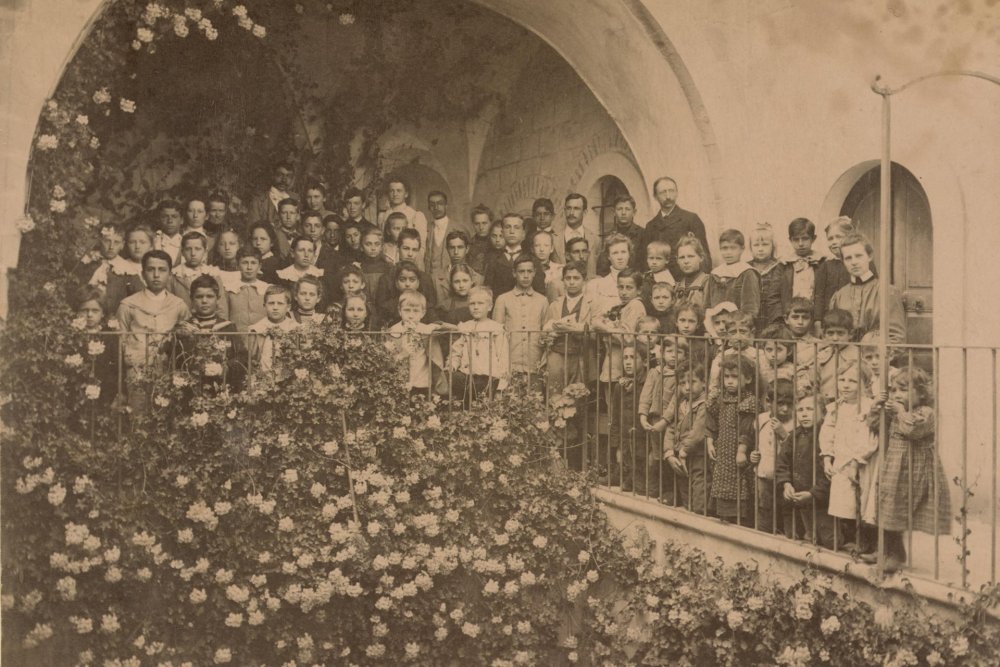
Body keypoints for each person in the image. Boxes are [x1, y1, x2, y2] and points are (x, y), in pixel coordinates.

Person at [117, 250, 191, 410]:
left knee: (165, 417)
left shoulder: (178, 305)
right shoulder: (128, 305)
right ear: (142, 273)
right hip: (137, 372)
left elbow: (186, 341)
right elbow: (121, 342)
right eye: (151, 270)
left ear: (170, 274)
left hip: (167, 372)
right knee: (138, 417)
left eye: (162, 270)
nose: (156, 275)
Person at [820, 360, 875, 551]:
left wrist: (856, 461)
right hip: (840, 462)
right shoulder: (836, 407)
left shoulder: (868, 408)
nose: (844, 385)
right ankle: (849, 537)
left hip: (861, 462)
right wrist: (827, 456)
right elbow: (827, 431)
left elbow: (869, 437)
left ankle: (865, 541)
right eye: (841, 379)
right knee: (843, 503)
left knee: (862, 501)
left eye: (851, 381)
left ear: (865, 384)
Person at [706, 354, 758, 525]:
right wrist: (709, 440)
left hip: (738, 452)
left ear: (748, 378)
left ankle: (740, 519)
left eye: (735, 377)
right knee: (721, 482)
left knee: (740, 483)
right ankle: (723, 516)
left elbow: (747, 429)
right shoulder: (720, 399)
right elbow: (711, 421)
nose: (729, 381)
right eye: (726, 377)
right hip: (723, 450)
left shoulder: (748, 401)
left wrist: (742, 450)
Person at [775, 394, 833, 546]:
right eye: (800, 410)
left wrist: (813, 493)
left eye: (810, 409)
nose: (805, 414)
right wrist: (786, 483)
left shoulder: (826, 436)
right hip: (796, 499)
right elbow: (782, 463)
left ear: (822, 412)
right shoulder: (794, 436)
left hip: (820, 501)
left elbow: (831, 471)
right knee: (793, 536)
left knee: (829, 541)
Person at [828, 233, 906, 343]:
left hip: (876, 358)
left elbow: (897, 338)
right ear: (843, 262)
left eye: (859, 256)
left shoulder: (887, 292)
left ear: (869, 256)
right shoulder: (839, 296)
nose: (854, 262)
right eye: (848, 258)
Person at [637, 336, 689, 496]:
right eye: (669, 351)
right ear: (662, 353)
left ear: (685, 355)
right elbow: (646, 394)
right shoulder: (654, 372)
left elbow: (675, 401)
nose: (673, 355)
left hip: (672, 421)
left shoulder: (682, 376)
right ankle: (653, 488)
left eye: (678, 352)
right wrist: (643, 416)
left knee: (669, 454)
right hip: (654, 419)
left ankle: (670, 492)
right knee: (655, 454)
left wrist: (665, 421)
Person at [174, 274, 241, 389]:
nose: (204, 301)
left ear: (218, 298)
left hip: (222, 389)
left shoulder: (228, 328)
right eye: (199, 297)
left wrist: (223, 368)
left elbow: (242, 358)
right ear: (191, 299)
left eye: (210, 296)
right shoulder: (184, 328)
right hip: (191, 390)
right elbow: (175, 362)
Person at [445, 286, 509, 404]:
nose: (476, 307)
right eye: (472, 303)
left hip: (488, 377)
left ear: (489, 307)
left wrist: (501, 386)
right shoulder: (466, 327)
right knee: (466, 407)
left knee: (485, 409)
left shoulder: (496, 329)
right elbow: (456, 351)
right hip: (467, 375)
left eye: (480, 303)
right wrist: (453, 364)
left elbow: (503, 358)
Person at [638, 177, 711, 277]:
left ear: (677, 193)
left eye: (671, 191)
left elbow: (704, 255)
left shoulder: (691, 219)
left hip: (687, 280)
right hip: (661, 283)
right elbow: (645, 261)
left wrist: (701, 283)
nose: (668, 196)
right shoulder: (651, 226)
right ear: (655, 196)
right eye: (663, 192)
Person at [662, 360, 710, 513]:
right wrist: (669, 452)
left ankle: (700, 516)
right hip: (679, 455)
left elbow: (698, 431)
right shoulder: (682, 403)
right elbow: (670, 427)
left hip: (697, 456)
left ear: (704, 382)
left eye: (692, 382)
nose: (687, 387)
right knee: (685, 493)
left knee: (699, 493)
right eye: (683, 383)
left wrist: (684, 451)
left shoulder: (705, 404)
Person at [540, 261, 593, 396]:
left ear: (584, 280)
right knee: (554, 395)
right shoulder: (555, 304)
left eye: (576, 278)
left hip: (580, 355)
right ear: (563, 281)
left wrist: (580, 328)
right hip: (557, 355)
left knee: (578, 395)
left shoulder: (592, 303)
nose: (572, 282)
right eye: (568, 278)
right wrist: (549, 334)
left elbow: (596, 331)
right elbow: (545, 333)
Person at [750, 378, 795, 535]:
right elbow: (755, 442)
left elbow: (797, 449)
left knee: (786, 507)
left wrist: (783, 433)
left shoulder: (794, 423)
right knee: (764, 506)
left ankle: (788, 535)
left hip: (785, 476)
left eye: (789, 404)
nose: (785, 408)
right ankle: (764, 534)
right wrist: (753, 455)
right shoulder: (761, 419)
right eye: (780, 404)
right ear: (770, 402)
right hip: (764, 472)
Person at [492, 255, 548, 378]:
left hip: (534, 362)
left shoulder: (542, 301)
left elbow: (546, 333)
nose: (526, 275)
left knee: (535, 396)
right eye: (521, 271)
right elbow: (496, 333)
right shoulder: (503, 299)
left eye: (529, 271)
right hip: (509, 362)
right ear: (514, 273)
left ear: (534, 273)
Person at [385, 290, 447, 396]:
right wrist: (403, 354)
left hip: (423, 382)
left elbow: (452, 329)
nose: (411, 315)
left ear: (423, 313)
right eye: (407, 310)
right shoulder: (393, 331)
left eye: (416, 311)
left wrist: (435, 326)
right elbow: (387, 362)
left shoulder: (426, 330)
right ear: (400, 311)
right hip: (399, 382)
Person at [72, 285, 121, 408]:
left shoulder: (110, 336)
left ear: (103, 313)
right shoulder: (72, 337)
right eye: (84, 310)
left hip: (105, 393)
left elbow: (117, 368)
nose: (89, 315)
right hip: (77, 394)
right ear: (77, 312)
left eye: (95, 310)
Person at [780, 218, 826, 334]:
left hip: (813, 320)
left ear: (813, 239)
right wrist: (782, 320)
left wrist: (818, 320)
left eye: (805, 239)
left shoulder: (822, 263)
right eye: (796, 240)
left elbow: (822, 293)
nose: (800, 244)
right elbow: (775, 296)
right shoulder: (783, 265)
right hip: (790, 320)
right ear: (790, 240)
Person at [705, 228, 760, 319]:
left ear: (742, 249)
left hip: (738, 325)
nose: (728, 252)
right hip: (716, 325)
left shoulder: (747, 273)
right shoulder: (715, 273)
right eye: (724, 248)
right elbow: (707, 304)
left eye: (733, 248)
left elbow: (750, 308)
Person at [170, 232, 227, 319]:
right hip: (183, 326)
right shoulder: (174, 275)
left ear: (205, 251)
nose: (193, 253)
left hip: (211, 327)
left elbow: (221, 308)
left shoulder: (213, 274)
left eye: (198, 249)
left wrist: (220, 327)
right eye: (188, 249)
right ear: (182, 252)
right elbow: (170, 307)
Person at [813, 216, 857, 327]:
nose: (834, 242)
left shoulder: (860, 263)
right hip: (829, 320)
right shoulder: (825, 265)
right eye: (830, 238)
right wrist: (817, 321)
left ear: (850, 237)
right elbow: (819, 295)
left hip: (854, 318)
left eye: (838, 237)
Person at [104, 225, 155, 316]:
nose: (137, 246)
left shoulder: (158, 268)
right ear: (125, 245)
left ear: (151, 246)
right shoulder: (120, 268)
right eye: (132, 242)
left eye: (142, 242)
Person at [248, 285, 300, 373]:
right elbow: (251, 359)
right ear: (264, 305)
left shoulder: (295, 328)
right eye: (271, 303)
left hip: (288, 378)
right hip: (262, 377)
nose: (275, 307)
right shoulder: (256, 329)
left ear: (288, 307)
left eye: (280, 303)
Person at [377, 178, 428, 266]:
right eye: (391, 191)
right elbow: (381, 241)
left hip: (410, 262)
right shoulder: (383, 216)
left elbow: (421, 247)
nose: (395, 194)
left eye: (399, 191)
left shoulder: (416, 215)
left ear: (406, 194)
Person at [814, 308, 858, 402]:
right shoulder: (822, 355)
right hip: (824, 402)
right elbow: (814, 381)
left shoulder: (857, 356)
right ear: (824, 334)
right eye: (830, 333)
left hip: (849, 403)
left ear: (851, 334)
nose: (835, 338)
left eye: (840, 333)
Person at [224, 246, 270, 336]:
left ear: (259, 266)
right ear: (238, 265)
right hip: (237, 339)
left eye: (253, 263)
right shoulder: (229, 289)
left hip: (262, 338)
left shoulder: (267, 289)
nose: (249, 267)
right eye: (245, 263)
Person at [585, 233, 633, 316]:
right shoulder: (596, 285)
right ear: (608, 257)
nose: (620, 257)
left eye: (623, 252)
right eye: (615, 253)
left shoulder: (640, 282)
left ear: (629, 254)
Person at [749, 222, 784, 333]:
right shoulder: (746, 268)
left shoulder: (780, 267)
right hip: (752, 317)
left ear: (773, 246)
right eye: (756, 245)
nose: (760, 249)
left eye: (765, 245)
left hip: (773, 315)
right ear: (750, 247)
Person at [554, 193, 599, 279]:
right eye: (568, 208)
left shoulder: (595, 239)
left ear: (585, 212)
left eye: (576, 209)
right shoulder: (554, 238)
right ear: (564, 210)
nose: (571, 213)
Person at [376, 261, 435, 327]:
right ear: (396, 283)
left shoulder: (426, 306)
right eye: (402, 280)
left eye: (412, 280)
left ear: (418, 283)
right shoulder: (388, 308)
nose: (407, 284)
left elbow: (436, 325)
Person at [597, 194, 644, 276]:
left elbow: (645, 263)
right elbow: (603, 264)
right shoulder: (608, 236)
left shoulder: (643, 234)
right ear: (614, 212)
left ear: (634, 212)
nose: (623, 213)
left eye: (627, 209)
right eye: (619, 209)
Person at [432, 230, 483, 304]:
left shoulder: (478, 279)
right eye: (452, 248)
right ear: (447, 249)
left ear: (467, 249)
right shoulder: (435, 279)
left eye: (460, 247)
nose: (456, 252)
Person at [484, 213, 528, 298]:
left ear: (523, 234)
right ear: (503, 232)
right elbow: (488, 291)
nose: (512, 231)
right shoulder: (493, 260)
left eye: (516, 227)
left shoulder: (532, 259)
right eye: (508, 227)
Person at [78, 223, 125, 292]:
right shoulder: (88, 258)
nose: (111, 247)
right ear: (100, 241)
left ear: (122, 245)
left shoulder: (125, 267)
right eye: (107, 241)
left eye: (116, 242)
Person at [247, 161, 294, 231]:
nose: (284, 180)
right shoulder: (258, 202)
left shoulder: (295, 199)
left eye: (288, 176)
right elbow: (252, 230)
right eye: (280, 175)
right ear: (273, 175)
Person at [672, 234, 710, 308]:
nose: (686, 261)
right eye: (682, 257)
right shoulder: (677, 287)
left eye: (690, 256)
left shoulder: (708, 283)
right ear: (677, 261)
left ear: (701, 257)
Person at [303, 211, 344, 277]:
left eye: (317, 226)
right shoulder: (294, 254)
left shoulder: (335, 256)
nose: (313, 230)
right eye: (308, 226)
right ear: (302, 228)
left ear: (322, 230)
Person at [531, 230, 563, 302]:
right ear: (532, 249)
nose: (541, 249)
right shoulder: (528, 269)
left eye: (546, 245)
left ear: (552, 248)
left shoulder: (560, 269)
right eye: (537, 245)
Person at [154, 199, 184, 266]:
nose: (170, 221)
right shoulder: (153, 242)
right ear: (158, 219)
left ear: (182, 220)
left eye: (174, 216)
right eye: (165, 217)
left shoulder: (187, 242)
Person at [466, 204, 495, 275]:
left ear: (491, 223)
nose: (481, 227)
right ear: (473, 224)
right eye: (477, 224)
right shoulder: (468, 245)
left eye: (484, 223)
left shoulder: (497, 243)